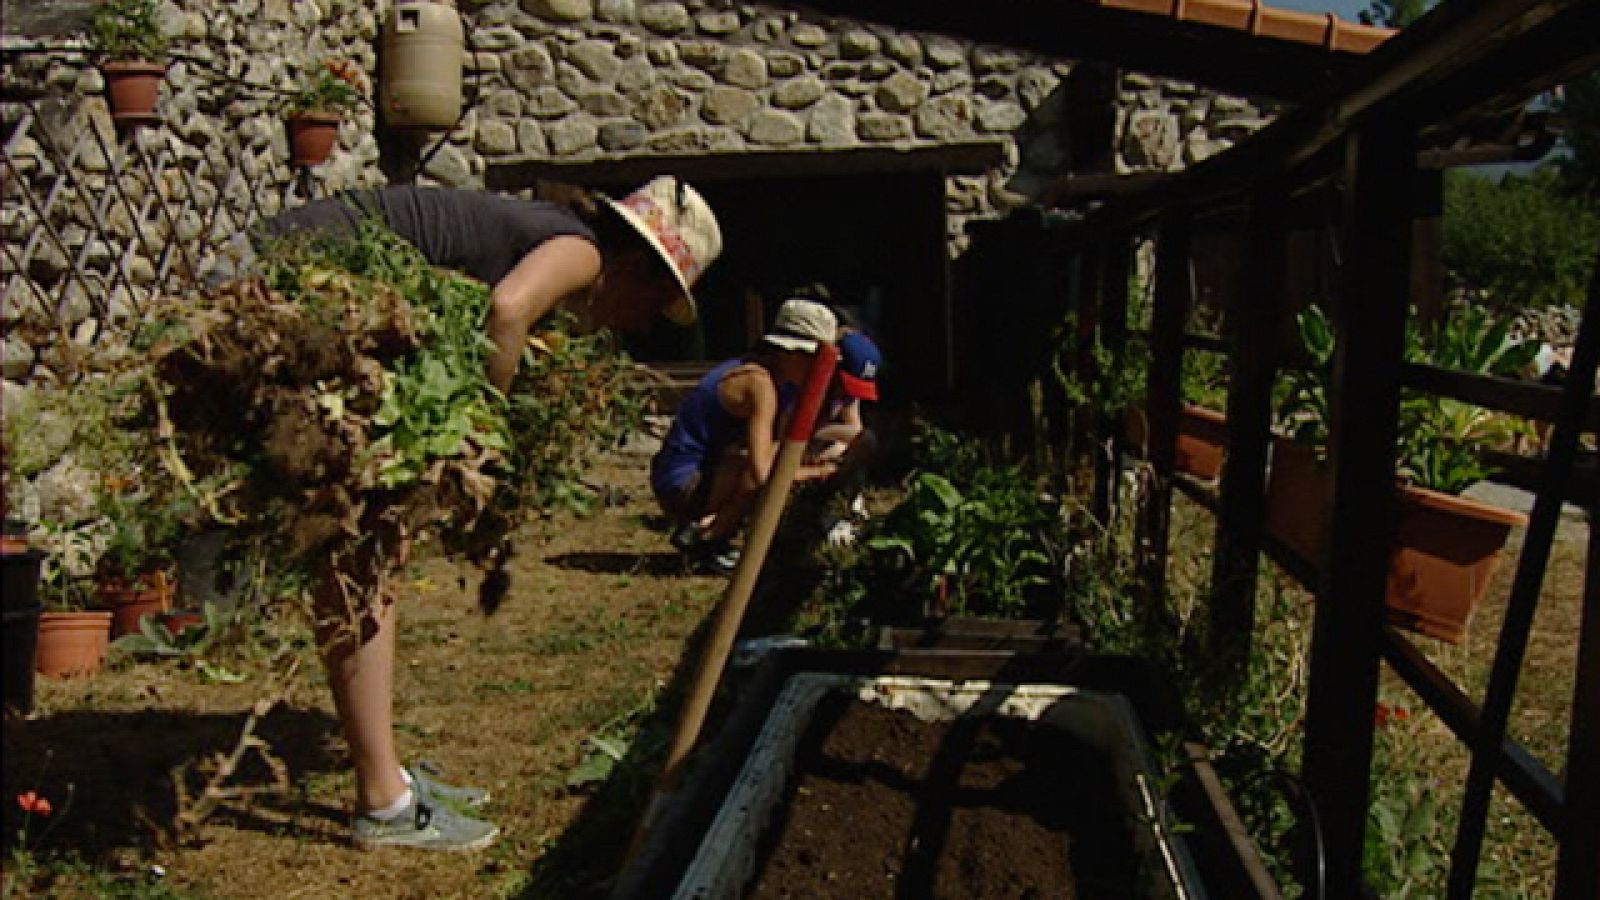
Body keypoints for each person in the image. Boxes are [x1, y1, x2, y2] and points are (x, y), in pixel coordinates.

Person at [262, 177, 724, 851]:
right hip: (286, 290)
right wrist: (482, 438)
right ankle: (384, 803)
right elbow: (507, 313)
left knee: (373, 550)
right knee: (363, 555)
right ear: (633, 265)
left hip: (297, 284)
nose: (645, 322)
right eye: (656, 301)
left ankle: (388, 780)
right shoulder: (582, 252)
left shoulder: (547, 235)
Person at [650, 298, 840, 574]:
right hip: (682, 483)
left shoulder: (776, 380)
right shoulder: (758, 385)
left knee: (776, 454)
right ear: (788, 353)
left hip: (704, 476)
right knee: (760, 471)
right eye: (812, 361)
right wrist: (818, 473)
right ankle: (708, 537)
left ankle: (711, 529)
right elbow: (761, 474)